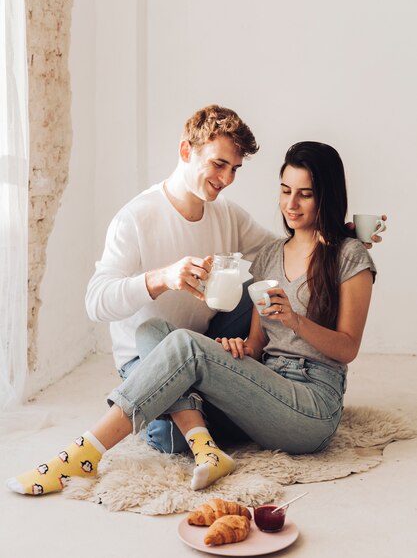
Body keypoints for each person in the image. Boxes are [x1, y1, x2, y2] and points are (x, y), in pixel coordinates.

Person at [7, 140, 377, 496]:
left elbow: (347, 348)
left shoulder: (350, 257)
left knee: (183, 348)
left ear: (325, 196)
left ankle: (84, 454)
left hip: (311, 407)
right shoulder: (268, 256)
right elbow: (256, 346)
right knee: (154, 331)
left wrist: (296, 320)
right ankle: (205, 449)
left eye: (305, 194)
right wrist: (237, 350)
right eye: (284, 190)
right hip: (269, 389)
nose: (290, 204)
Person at [83, 104, 385, 455]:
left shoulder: (229, 215)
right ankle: (196, 438)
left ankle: (86, 451)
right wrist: (163, 278)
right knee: (153, 337)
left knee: (231, 302)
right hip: (148, 358)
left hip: (285, 384)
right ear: (186, 151)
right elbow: (95, 302)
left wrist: (339, 237)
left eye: (234, 169)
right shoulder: (134, 219)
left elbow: (297, 253)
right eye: (218, 164)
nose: (226, 179)